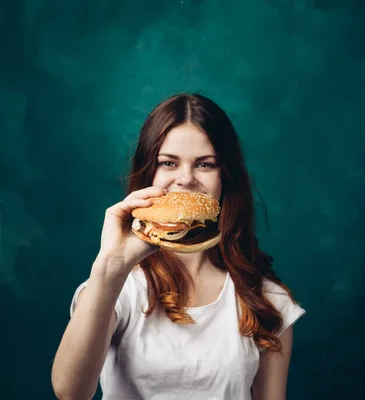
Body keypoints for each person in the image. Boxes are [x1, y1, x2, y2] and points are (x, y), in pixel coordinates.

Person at [51, 93, 306, 400]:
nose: (185, 179)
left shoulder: (268, 301)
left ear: (226, 178)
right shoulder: (120, 288)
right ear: (149, 173)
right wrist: (110, 266)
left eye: (205, 164)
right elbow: (69, 392)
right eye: (168, 163)